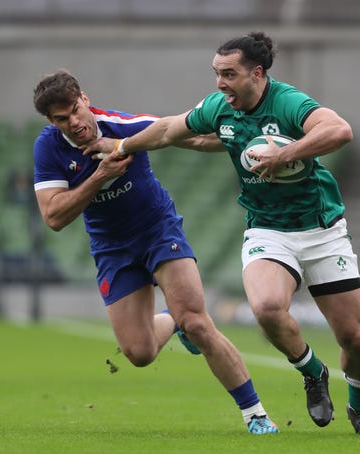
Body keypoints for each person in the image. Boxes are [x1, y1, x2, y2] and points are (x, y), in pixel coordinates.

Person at [81, 32, 360, 435]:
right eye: (216, 74)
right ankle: (312, 371)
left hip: (322, 230)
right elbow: (171, 129)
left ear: (256, 74)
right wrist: (122, 147)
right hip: (267, 229)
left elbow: (340, 131)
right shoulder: (218, 107)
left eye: (228, 74)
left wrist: (284, 153)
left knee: (356, 339)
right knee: (267, 309)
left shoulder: (288, 102)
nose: (220, 83)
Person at [31, 69, 278, 435]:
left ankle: (254, 413)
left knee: (197, 321)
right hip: (112, 248)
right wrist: (100, 176)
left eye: (74, 110)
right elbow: (53, 216)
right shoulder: (49, 148)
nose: (73, 122)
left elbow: (194, 139)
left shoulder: (126, 128)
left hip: (158, 231)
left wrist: (248, 140)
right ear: (51, 121)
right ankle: (173, 320)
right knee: (140, 353)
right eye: (61, 119)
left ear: (84, 99)